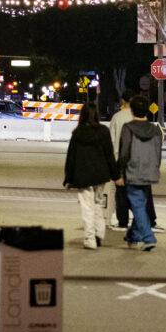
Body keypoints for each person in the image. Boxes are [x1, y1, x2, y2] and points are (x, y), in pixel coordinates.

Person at [63, 104, 120, 250]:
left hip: (83, 176)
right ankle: (99, 234)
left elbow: (71, 157)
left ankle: (90, 238)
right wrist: (116, 175)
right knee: (97, 204)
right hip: (100, 175)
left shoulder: (77, 133)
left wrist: (69, 178)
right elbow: (109, 155)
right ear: (96, 115)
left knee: (87, 207)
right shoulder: (103, 131)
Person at [117, 97, 162, 251]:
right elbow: (158, 153)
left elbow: (124, 153)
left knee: (137, 204)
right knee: (141, 204)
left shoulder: (128, 128)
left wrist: (119, 173)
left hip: (133, 171)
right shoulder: (155, 130)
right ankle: (133, 236)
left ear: (132, 110)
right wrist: (155, 168)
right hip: (150, 171)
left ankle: (149, 238)